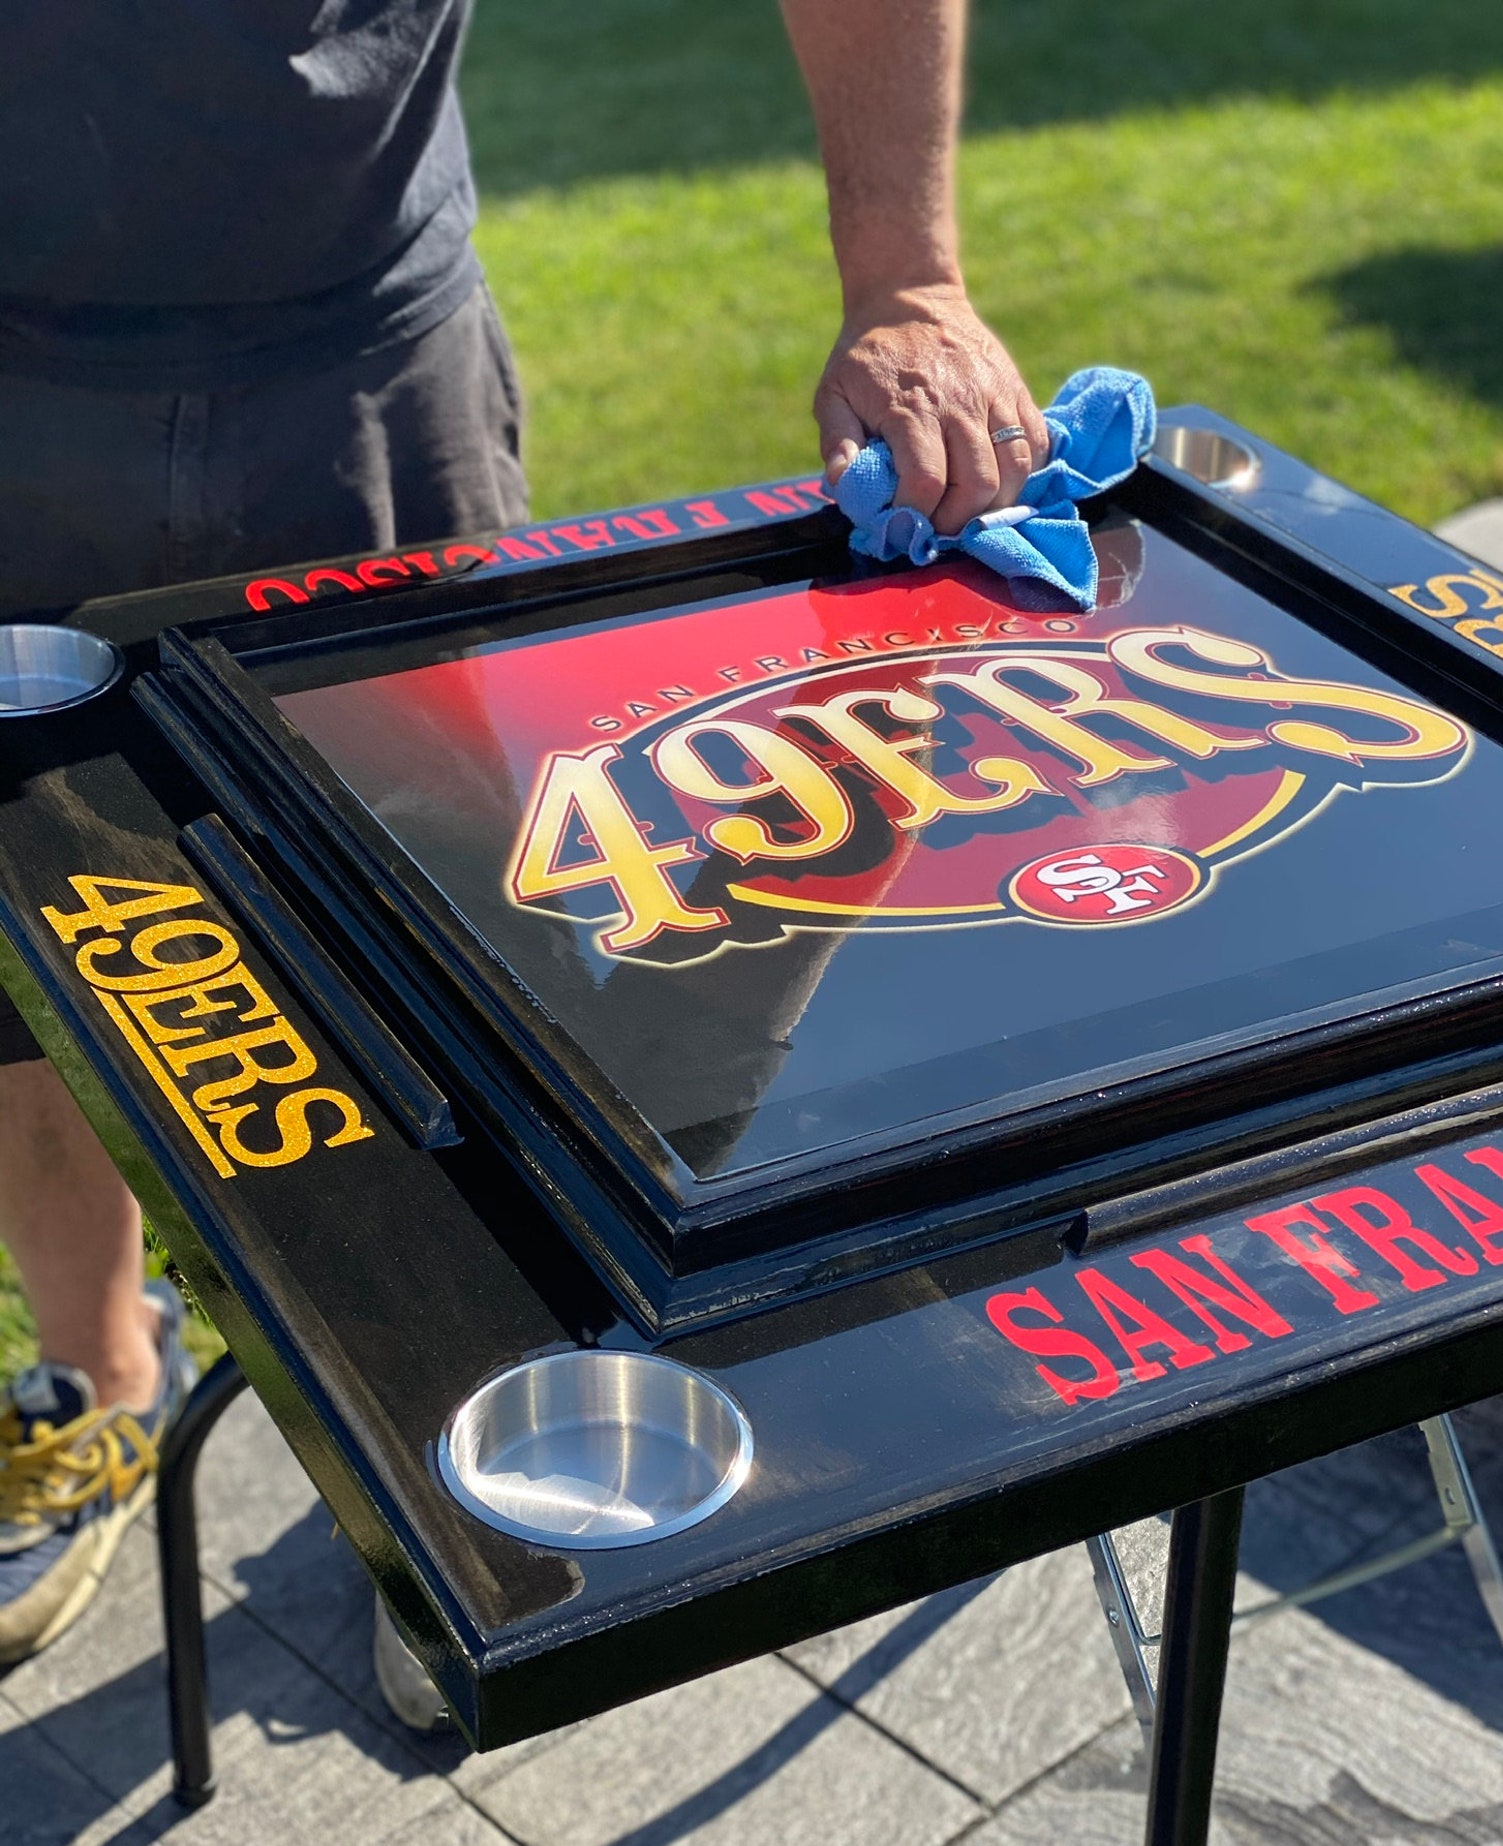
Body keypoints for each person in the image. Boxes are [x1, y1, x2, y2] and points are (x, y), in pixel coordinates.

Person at [0, 0, 1047, 1715]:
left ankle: (442, 1458)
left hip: (356, 350)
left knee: (430, 942)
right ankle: (101, 1372)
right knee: (27, 913)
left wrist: (908, 279)